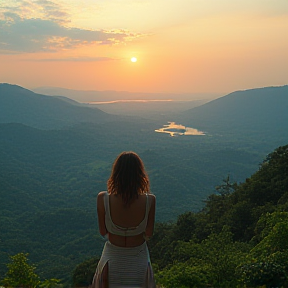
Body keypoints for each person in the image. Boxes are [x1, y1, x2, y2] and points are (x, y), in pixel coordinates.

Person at [92, 151, 156, 288]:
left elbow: (103, 231)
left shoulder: (102, 199)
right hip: (139, 259)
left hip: (112, 259)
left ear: (116, 173)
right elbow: (149, 233)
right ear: (140, 175)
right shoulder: (150, 200)